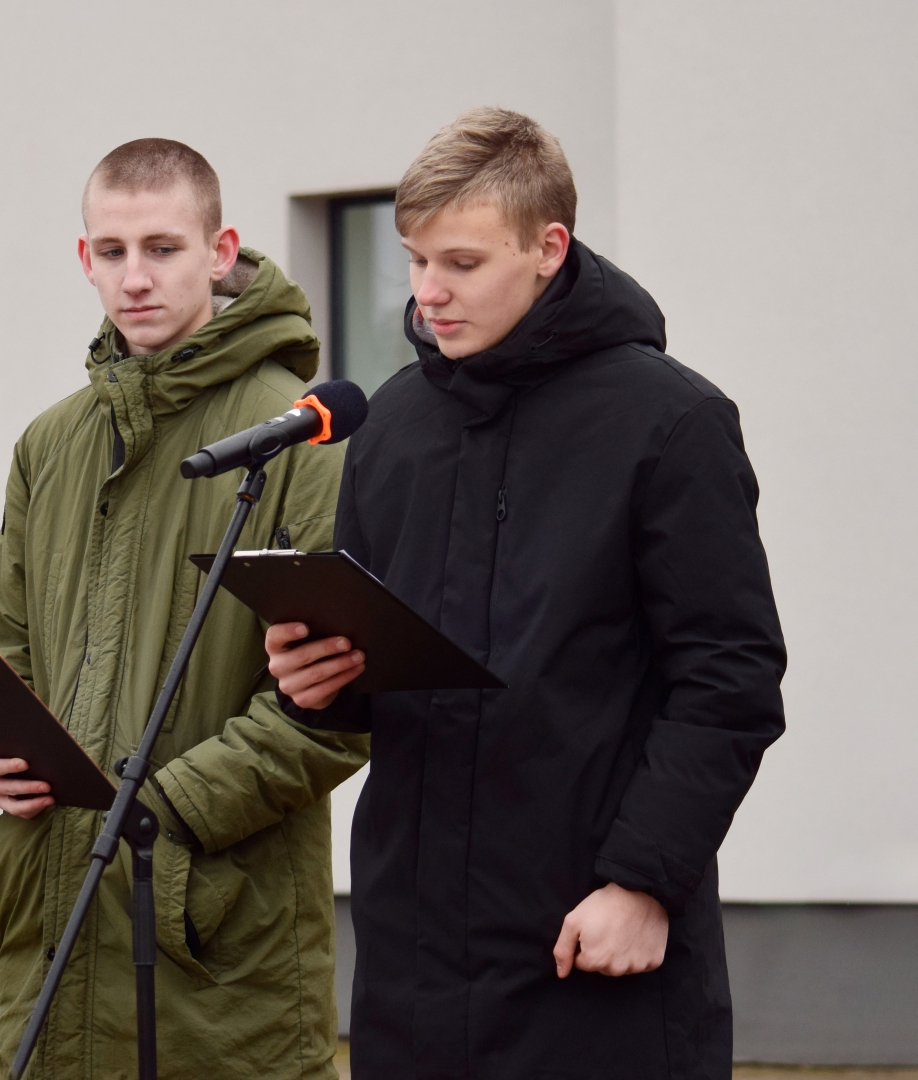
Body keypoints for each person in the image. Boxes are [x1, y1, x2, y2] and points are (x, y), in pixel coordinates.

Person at [265, 108, 787, 1079]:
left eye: (461, 264)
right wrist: (323, 679)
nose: (427, 294)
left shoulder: (671, 423)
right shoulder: (392, 430)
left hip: (590, 936)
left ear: (548, 247)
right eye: (415, 261)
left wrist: (642, 882)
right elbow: (404, 674)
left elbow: (730, 679)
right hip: (412, 957)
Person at [0, 139, 369, 1079]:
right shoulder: (48, 445)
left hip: (214, 951)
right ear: (83, 259)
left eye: (163, 248)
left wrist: (161, 808)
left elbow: (333, 708)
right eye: (113, 250)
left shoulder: (299, 436)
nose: (136, 277)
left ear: (221, 252)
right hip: (48, 936)